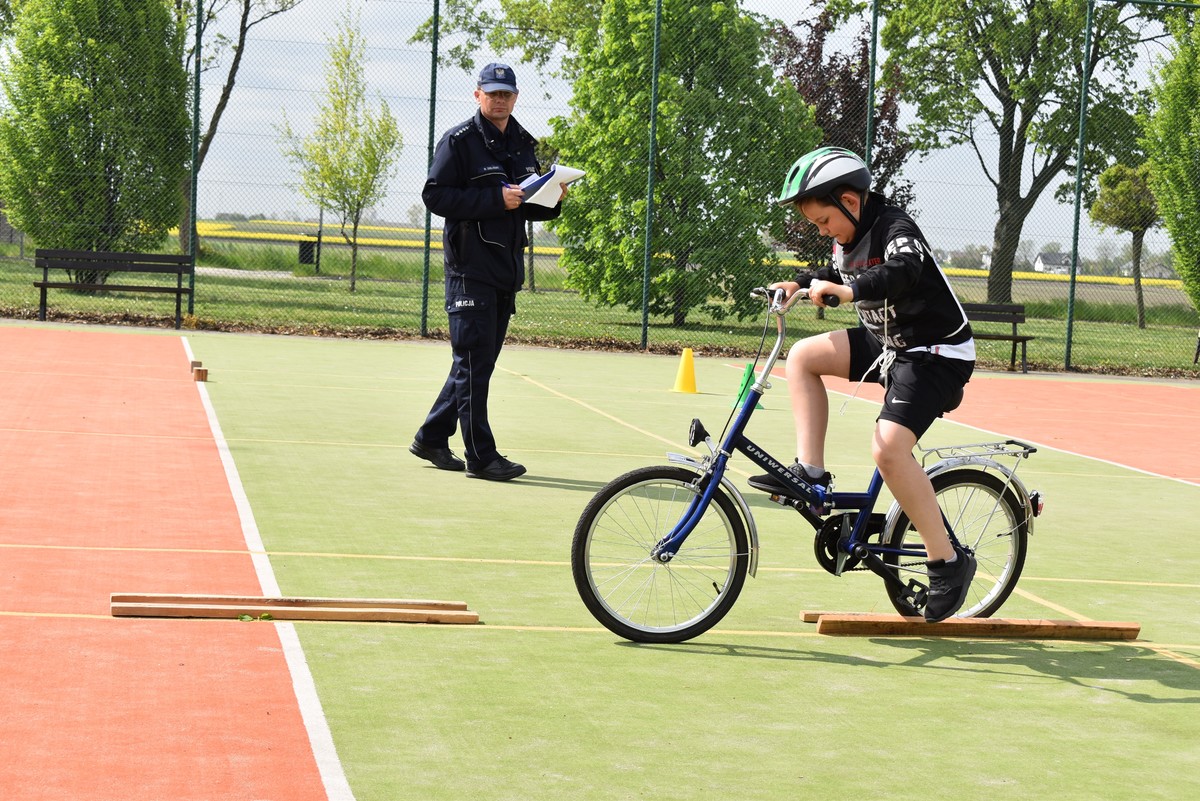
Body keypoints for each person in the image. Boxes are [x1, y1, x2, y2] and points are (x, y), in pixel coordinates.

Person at [749, 146, 978, 622]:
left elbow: (903, 270)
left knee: (889, 451)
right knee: (804, 356)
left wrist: (851, 291)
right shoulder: (845, 237)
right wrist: (799, 282)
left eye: (823, 221)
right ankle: (810, 470)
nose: (822, 231)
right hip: (888, 343)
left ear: (850, 201)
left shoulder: (897, 228)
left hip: (934, 352)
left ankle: (948, 562)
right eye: (816, 225)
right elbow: (837, 270)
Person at [410, 62, 565, 482]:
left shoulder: (521, 142)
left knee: (476, 363)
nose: (499, 100)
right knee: (474, 363)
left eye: (506, 94)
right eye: (492, 93)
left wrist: (553, 196)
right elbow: (435, 195)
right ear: (477, 94)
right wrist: (496, 200)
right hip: (469, 268)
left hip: (504, 269)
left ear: (515, 97)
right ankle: (481, 456)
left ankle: (431, 436)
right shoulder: (459, 142)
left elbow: (527, 202)